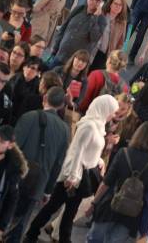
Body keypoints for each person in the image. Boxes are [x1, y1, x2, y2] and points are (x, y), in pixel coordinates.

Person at [23, 96, 119, 243]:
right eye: (112, 111)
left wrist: (98, 160)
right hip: (74, 178)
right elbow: (77, 152)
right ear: (104, 109)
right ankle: (34, 233)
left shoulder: (97, 126)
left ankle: (38, 234)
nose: (113, 115)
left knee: (65, 211)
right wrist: (73, 177)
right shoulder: (89, 126)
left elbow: (88, 150)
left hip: (78, 177)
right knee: (57, 209)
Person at [7, 87, 70, 242]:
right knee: (20, 224)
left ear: (44, 99)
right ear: (62, 105)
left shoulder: (28, 117)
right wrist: (48, 190)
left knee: (2, 214)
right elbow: (58, 164)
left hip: (14, 176)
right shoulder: (64, 130)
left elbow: (12, 147)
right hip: (37, 183)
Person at [87, 121, 148, 243]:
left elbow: (106, 183)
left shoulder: (123, 153)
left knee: (95, 239)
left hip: (110, 206)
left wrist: (94, 203)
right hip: (132, 215)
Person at [51, 0, 107, 68]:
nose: (94, 2)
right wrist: (55, 46)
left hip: (75, 63)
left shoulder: (101, 20)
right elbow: (64, 27)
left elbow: (94, 37)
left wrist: (95, 17)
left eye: (98, 0)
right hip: (60, 54)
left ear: (101, 3)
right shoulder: (79, 9)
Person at [90, 0, 127, 72]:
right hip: (92, 50)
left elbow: (120, 42)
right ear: (110, 4)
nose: (117, 6)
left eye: (120, 5)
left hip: (105, 55)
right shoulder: (101, 14)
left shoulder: (122, 23)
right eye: (115, 4)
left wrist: (115, 57)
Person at [9, 57, 42, 124]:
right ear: (23, 67)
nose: (29, 70)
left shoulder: (38, 87)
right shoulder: (14, 79)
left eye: (33, 68)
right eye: (27, 66)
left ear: (38, 72)